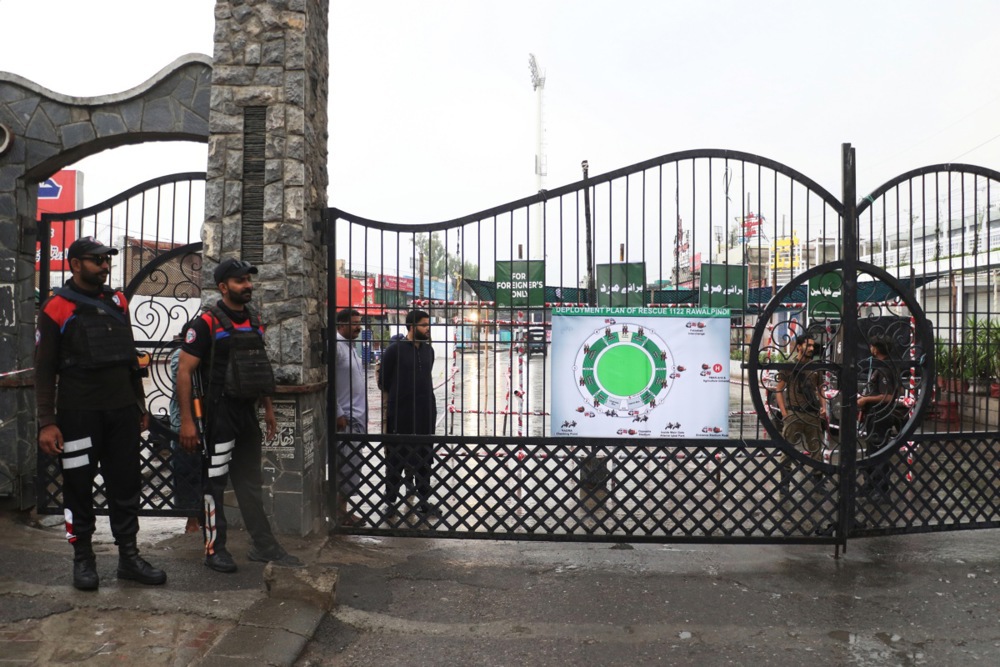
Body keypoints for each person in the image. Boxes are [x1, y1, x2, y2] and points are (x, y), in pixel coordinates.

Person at [35, 236, 167, 591]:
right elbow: (44, 369)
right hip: (78, 414)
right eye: (97, 261)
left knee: (126, 486)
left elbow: (129, 357)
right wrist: (47, 422)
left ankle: (129, 558)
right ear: (76, 264)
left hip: (122, 412)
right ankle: (83, 561)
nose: (105, 266)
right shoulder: (55, 307)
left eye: (107, 260)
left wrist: (139, 405)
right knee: (78, 488)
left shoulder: (117, 301)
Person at [175, 258, 303, 572]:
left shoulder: (255, 320)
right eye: (239, 281)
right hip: (219, 417)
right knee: (214, 485)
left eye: (248, 279)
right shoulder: (206, 323)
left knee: (250, 483)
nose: (247, 285)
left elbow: (260, 368)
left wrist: (269, 409)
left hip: (247, 415)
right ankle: (214, 550)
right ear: (223, 287)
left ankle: (264, 546)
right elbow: (184, 371)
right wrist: (189, 422)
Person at [377, 309, 438, 518]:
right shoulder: (395, 350)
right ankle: (390, 502)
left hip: (425, 412)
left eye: (428, 324)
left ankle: (423, 500)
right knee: (396, 458)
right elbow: (383, 382)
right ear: (411, 327)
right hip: (401, 412)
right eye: (423, 325)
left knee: (424, 457)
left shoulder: (429, 351)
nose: (427, 328)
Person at [774, 334, 827, 486]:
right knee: (787, 451)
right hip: (794, 414)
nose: (811, 348)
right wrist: (784, 413)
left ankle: (818, 481)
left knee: (816, 450)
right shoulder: (790, 366)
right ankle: (785, 482)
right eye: (808, 345)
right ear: (799, 346)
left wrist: (824, 407)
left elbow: (821, 389)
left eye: (812, 346)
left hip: (812, 414)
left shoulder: (815, 367)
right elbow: (779, 390)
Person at [858, 335, 904, 499]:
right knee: (871, 451)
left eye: (872, 346)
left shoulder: (885, 368)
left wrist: (866, 399)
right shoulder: (884, 366)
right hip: (873, 415)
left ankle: (882, 489)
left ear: (876, 349)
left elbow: (889, 396)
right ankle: (869, 485)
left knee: (879, 453)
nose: (870, 349)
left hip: (881, 416)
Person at [333, 308, 366, 526]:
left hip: (357, 417)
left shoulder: (350, 347)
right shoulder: (337, 347)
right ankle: (339, 513)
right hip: (345, 418)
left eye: (359, 322)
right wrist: (338, 413)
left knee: (351, 466)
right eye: (354, 323)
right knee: (345, 466)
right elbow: (329, 382)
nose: (358, 326)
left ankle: (342, 511)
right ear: (341, 324)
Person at [168, 339, 201, 532]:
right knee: (185, 469)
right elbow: (182, 382)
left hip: (201, 420)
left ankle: (200, 516)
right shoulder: (179, 356)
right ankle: (191, 519)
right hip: (183, 423)